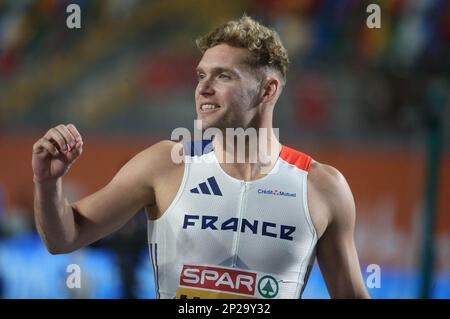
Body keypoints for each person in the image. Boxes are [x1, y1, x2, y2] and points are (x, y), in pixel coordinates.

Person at [32, 15, 370, 299]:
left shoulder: (323, 187)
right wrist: (48, 184)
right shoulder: (165, 164)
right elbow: (64, 237)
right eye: (200, 75)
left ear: (268, 90)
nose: (203, 88)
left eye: (223, 75)